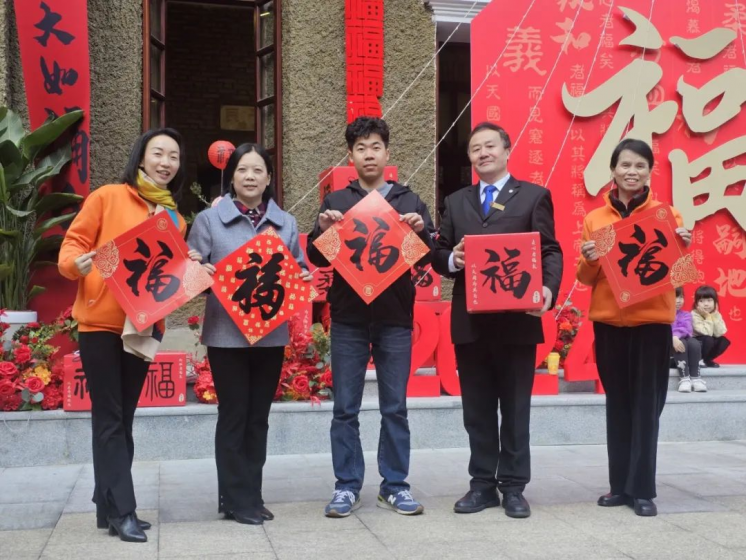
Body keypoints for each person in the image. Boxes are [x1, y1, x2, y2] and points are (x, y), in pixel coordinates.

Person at [59, 128, 202, 542]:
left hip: (141, 327)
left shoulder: (175, 218)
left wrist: (187, 264)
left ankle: (108, 505)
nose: (165, 162)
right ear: (141, 158)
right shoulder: (107, 196)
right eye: (158, 153)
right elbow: (72, 246)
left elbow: (167, 279)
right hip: (101, 325)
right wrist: (77, 265)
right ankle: (123, 510)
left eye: (173, 156)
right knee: (109, 419)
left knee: (124, 420)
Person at [432, 122, 563, 519]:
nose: (483, 153)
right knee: (477, 409)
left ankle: (514, 486)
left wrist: (548, 289)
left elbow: (550, 251)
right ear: (469, 158)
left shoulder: (534, 197)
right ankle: (482, 485)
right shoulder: (456, 202)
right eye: (475, 148)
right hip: (471, 324)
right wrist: (453, 259)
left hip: (517, 324)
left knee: (516, 407)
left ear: (507, 151)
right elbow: (438, 254)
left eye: (490, 146)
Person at [306, 116, 435, 518]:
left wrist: (420, 234)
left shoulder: (410, 201)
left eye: (375, 146)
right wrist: (321, 231)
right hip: (348, 318)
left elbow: (428, 258)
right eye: (360, 148)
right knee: (345, 407)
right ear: (351, 155)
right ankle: (346, 486)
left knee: (394, 406)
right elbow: (316, 257)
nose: (368, 154)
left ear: (387, 152)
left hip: (395, 318)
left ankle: (394, 485)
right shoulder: (337, 202)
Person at [188, 143, 312, 525]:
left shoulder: (285, 222)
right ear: (232, 176)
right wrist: (199, 270)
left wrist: (303, 276)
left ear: (269, 178)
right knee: (233, 415)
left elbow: (298, 267)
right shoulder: (209, 221)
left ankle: (252, 494)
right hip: (226, 336)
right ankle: (234, 497)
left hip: (269, 336)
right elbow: (191, 277)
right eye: (243, 170)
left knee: (258, 417)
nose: (250, 177)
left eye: (258, 170)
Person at [578, 138, 692, 517]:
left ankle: (642, 490)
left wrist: (683, 248)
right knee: (618, 405)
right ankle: (618, 487)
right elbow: (585, 278)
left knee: (647, 407)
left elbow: (676, 274)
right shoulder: (595, 219)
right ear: (613, 170)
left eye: (640, 165)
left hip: (651, 324)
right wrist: (590, 259)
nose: (632, 171)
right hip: (610, 324)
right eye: (625, 164)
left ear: (649, 171)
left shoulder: (666, 215)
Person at [672, 287, 705, 392]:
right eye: (674, 297)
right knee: (682, 343)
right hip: (668, 345)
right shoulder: (661, 315)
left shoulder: (686, 314)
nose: (678, 300)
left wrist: (675, 336)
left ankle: (696, 378)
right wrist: (672, 338)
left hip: (681, 340)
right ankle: (684, 378)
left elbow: (686, 328)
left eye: (681, 297)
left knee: (694, 343)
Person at [692, 285, 730, 368]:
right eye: (701, 301)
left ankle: (706, 360)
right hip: (695, 344)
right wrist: (708, 317)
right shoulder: (694, 314)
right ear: (696, 303)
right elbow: (706, 333)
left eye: (709, 300)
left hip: (707, 342)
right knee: (708, 339)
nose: (706, 304)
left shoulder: (716, 314)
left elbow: (720, 332)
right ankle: (697, 360)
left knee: (723, 341)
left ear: (715, 302)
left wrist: (714, 316)